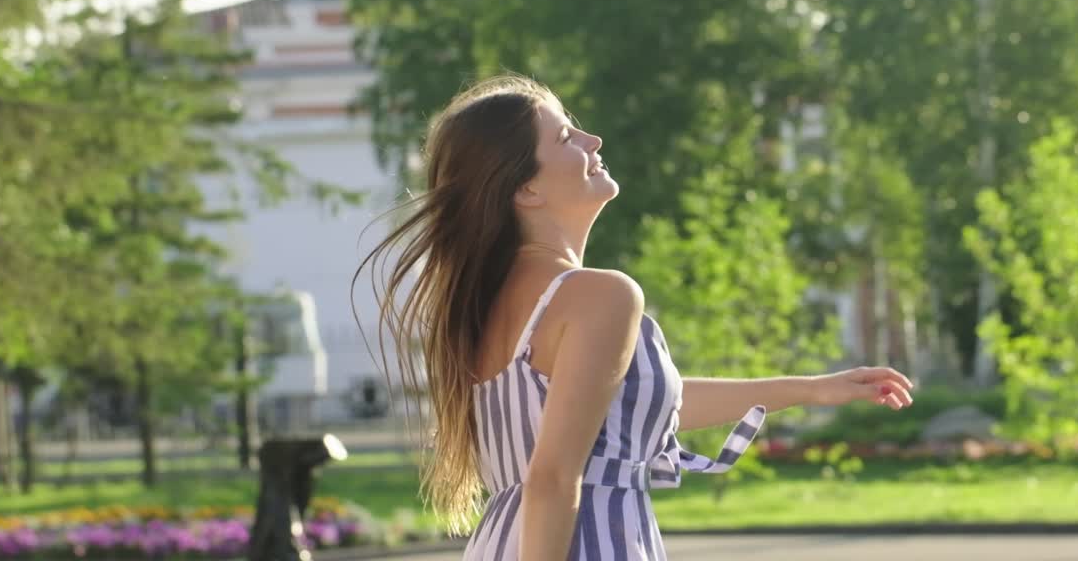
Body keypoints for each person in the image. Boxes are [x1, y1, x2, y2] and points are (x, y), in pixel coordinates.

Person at [357, 75, 914, 560]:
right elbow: (553, 479)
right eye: (565, 137)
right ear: (525, 187)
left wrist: (813, 390)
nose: (593, 140)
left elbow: (623, 411)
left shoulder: (487, 304)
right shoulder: (601, 296)